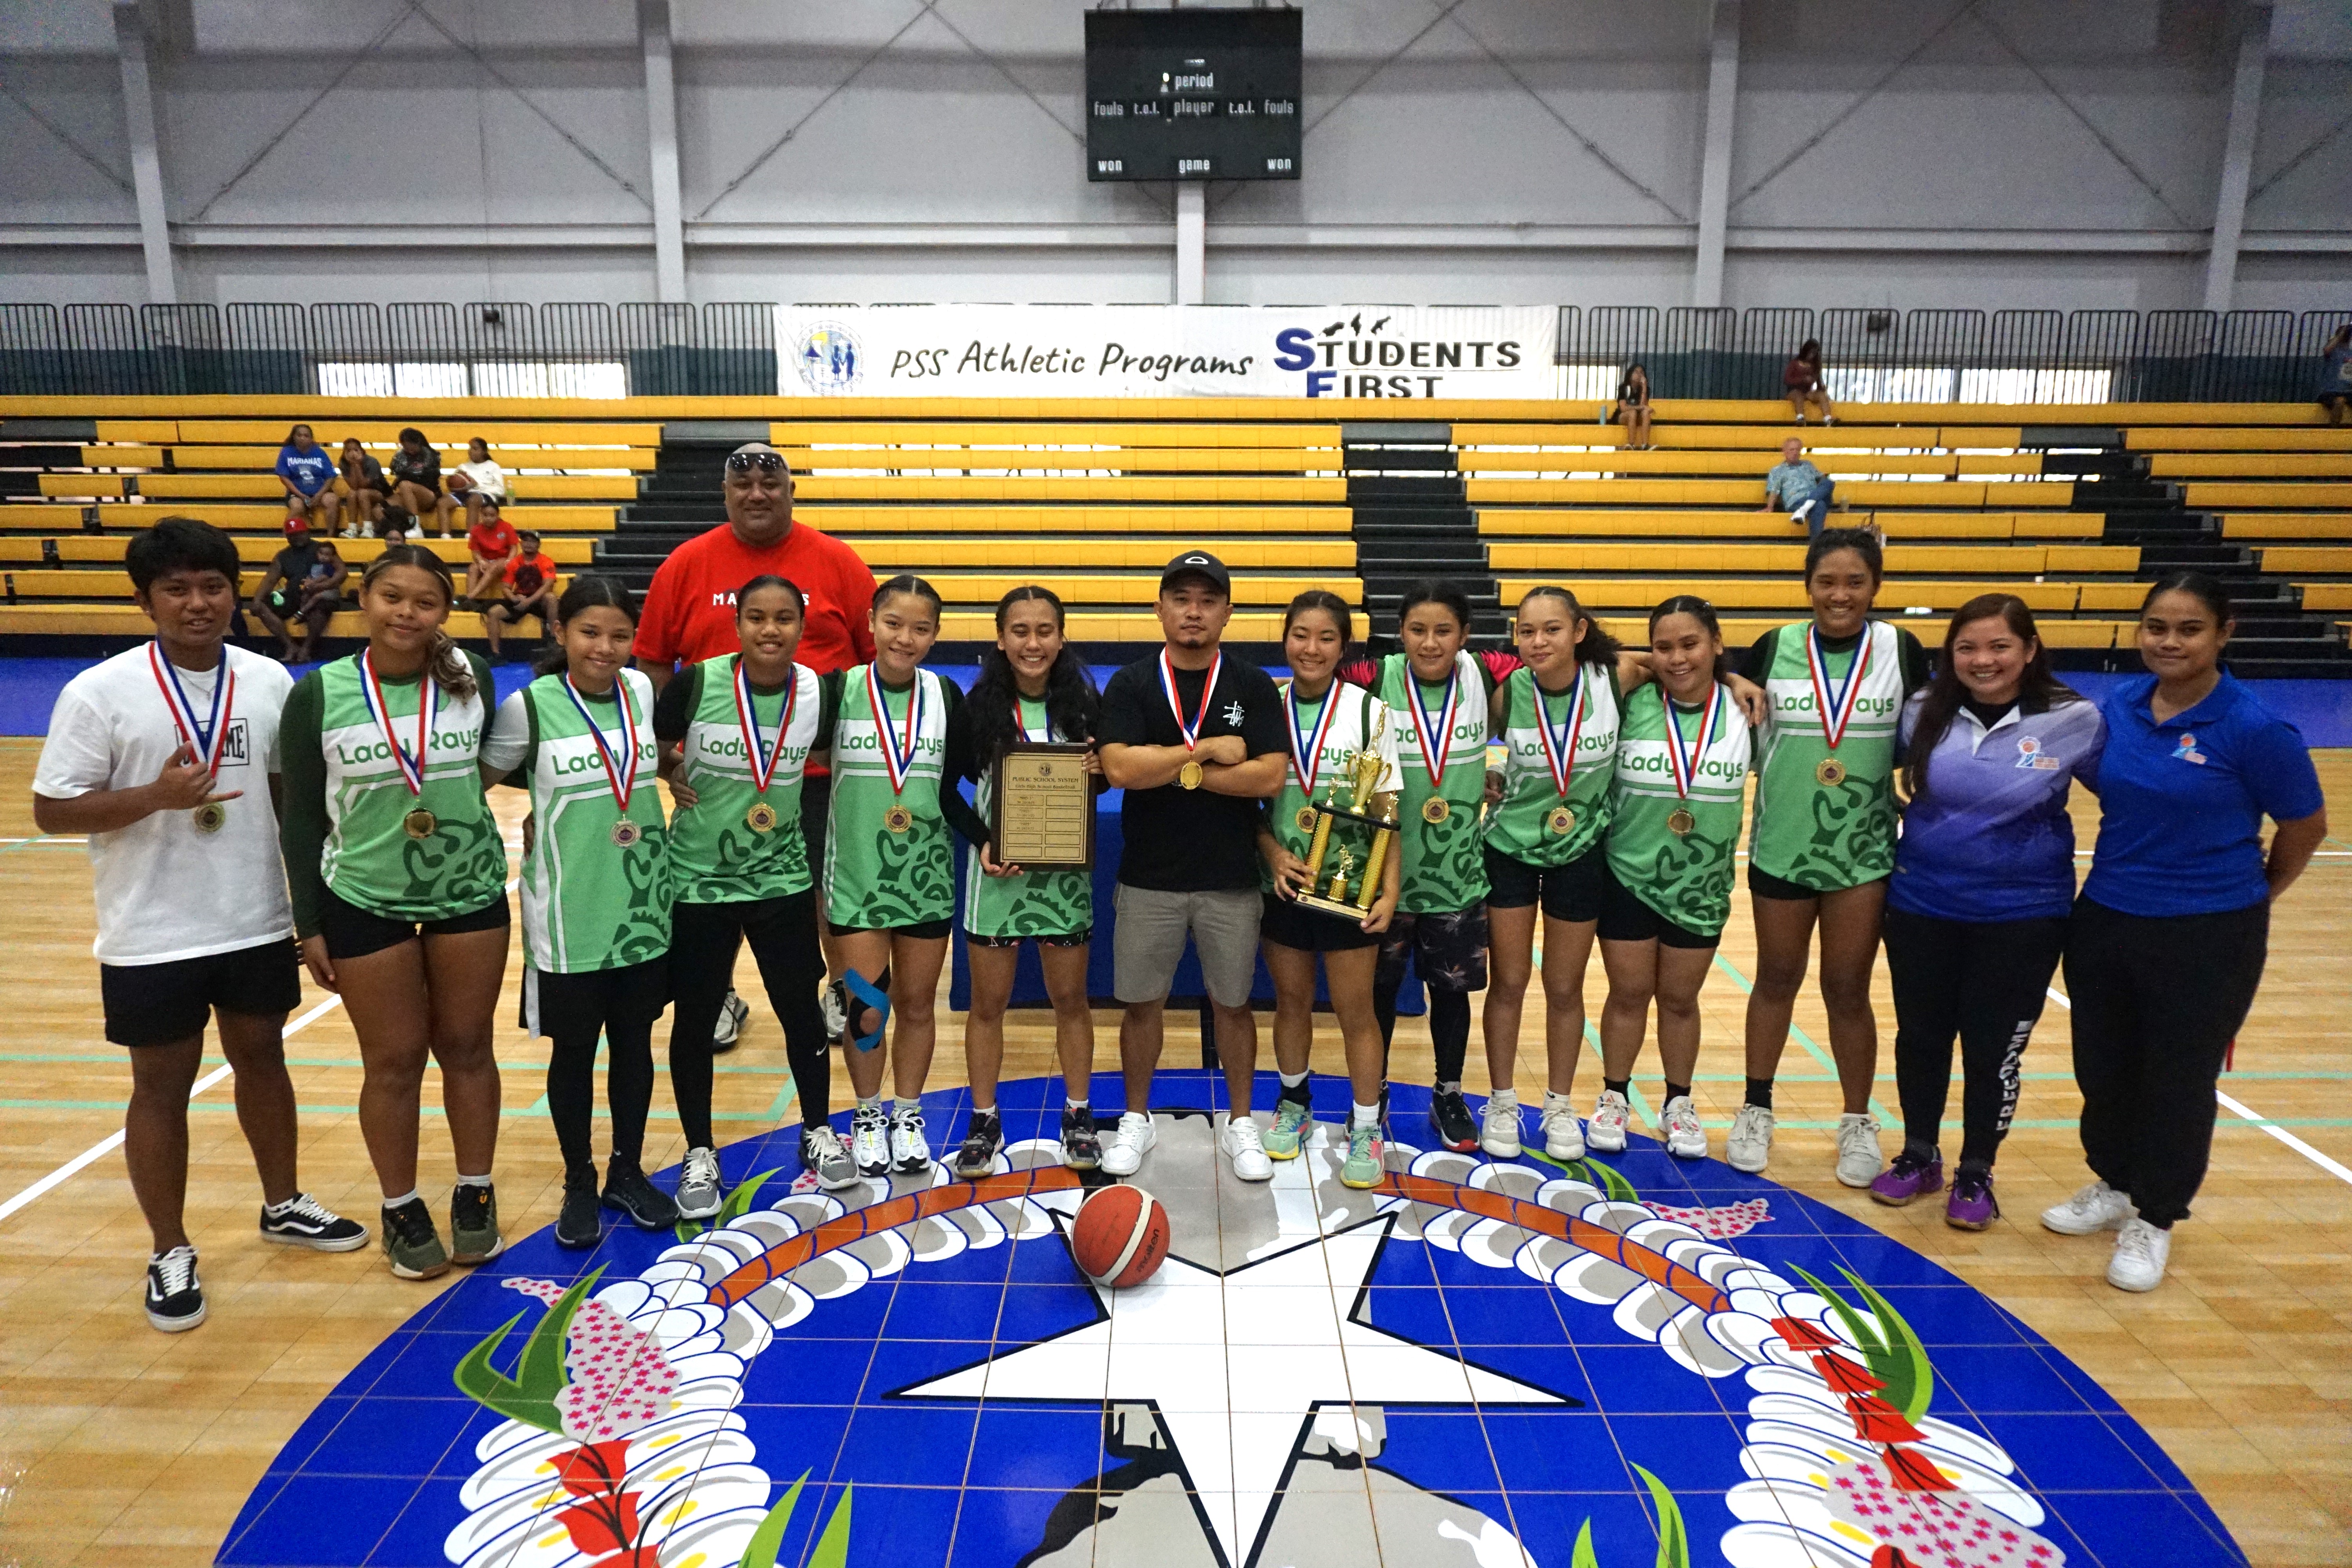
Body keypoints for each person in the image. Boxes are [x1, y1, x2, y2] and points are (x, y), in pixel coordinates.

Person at [31, 517, 365, 1333]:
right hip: (152, 929)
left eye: (212, 585)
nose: (197, 603)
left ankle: (282, 1201)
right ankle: (169, 1246)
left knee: (264, 1059)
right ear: (145, 599)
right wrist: (154, 795)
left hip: (252, 915)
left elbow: (295, 801)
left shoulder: (267, 681)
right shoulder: (99, 692)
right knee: (161, 1087)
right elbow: (51, 809)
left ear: (232, 592)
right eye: (176, 588)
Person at [2042, 573, 2325, 1292]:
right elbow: (2114, 786)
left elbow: (2305, 826)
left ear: (2224, 634)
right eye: (2157, 628)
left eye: (2188, 629)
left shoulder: (2256, 729)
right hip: (2108, 913)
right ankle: (2113, 1185)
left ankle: (2157, 1216)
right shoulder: (2126, 705)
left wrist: (2253, 894)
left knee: (2178, 1076)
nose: (2169, 642)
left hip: (2208, 932)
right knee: (2104, 1066)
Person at [279, 544, 510, 1281]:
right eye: (391, 597)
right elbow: (299, 820)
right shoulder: (319, 694)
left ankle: (475, 1190)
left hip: (469, 890)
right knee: (394, 1061)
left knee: (469, 1047)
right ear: (364, 602)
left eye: (424, 601)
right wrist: (308, 922)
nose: (406, 613)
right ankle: (401, 1204)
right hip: (363, 897)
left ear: (445, 612)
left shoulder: (473, 677)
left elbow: (488, 768)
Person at [636, 442, 878, 1053]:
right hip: (715, 774)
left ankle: (835, 987)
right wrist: (667, 756)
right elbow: (652, 666)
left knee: (827, 885)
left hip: (815, 770)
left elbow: (873, 664)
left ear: (791, 491)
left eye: (770, 484)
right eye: (742, 485)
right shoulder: (686, 565)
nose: (756, 494)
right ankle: (718, 993)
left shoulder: (838, 562)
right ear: (726, 494)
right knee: (714, 885)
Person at [1874, 595, 2103, 1230]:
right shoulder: (1922, 711)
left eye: (1999, 646)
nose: (1983, 660)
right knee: (1921, 1037)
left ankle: (1977, 1170)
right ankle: (1919, 1154)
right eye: (1968, 647)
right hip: (1922, 904)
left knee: (1993, 1047)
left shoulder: (2073, 719)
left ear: (2029, 650)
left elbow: (2134, 796)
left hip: (2024, 915)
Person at [482, 575, 678, 1249]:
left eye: (619, 635)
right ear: (560, 633)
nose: (605, 647)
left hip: (643, 902)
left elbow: (641, 765)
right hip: (567, 914)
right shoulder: (530, 707)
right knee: (575, 1051)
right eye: (590, 633)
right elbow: (474, 782)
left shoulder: (643, 692)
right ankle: (578, 1178)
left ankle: (627, 1169)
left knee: (634, 1044)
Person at [1730, 528, 1931, 1185]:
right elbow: (1726, 692)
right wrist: (1733, 676)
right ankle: (1756, 1108)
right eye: (1827, 582)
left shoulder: (1900, 649)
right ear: (1808, 586)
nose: (1839, 595)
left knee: (1848, 989)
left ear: (1876, 586)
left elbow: (1929, 728)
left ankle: (1856, 1122)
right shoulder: (1775, 646)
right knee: (1776, 979)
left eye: (1854, 582)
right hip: (1781, 846)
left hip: (1863, 853)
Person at [1096, 550, 1288, 1181]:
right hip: (1149, 875)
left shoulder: (1253, 684)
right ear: (1160, 608)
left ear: (1228, 612)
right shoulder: (1130, 683)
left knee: (1233, 1005)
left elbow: (1269, 775)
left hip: (1230, 877)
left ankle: (1240, 1124)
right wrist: (1205, 753)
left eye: (1208, 600)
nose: (1194, 611)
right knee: (1141, 1005)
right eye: (1182, 599)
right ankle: (1135, 1118)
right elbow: (1122, 770)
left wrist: (1169, 767)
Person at [653, 576, 844, 1204]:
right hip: (698, 878)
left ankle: (817, 1128)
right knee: (697, 1017)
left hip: (782, 876)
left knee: (799, 1007)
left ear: (801, 625)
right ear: (736, 625)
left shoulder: (816, 691)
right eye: (757, 617)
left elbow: (823, 755)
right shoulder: (697, 684)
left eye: (784, 618)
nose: (771, 630)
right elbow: (649, 742)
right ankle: (701, 1151)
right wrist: (669, 768)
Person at [1477, 586, 1646, 1161]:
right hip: (1510, 849)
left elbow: (1686, 670)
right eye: (1526, 631)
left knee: (1565, 987)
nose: (1538, 641)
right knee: (1509, 981)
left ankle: (1558, 1103)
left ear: (1579, 630)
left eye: (1551, 629)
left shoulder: (1615, 677)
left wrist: (1738, 683)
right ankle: (1502, 1101)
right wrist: (1481, 774)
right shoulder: (1506, 694)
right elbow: (1461, 739)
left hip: (1581, 850)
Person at [946, 586, 1106, 1176]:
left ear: (1061, 637)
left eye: (1044, 631)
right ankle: (984, 1119)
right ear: (1000, 637)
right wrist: (984, 841)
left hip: (1063, 881)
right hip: (998, 880)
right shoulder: (977, 708)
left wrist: (1099, 770)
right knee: (988, 1006)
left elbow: (1103, 783)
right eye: (1020, 631)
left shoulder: (1085, 705)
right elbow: (948, 794)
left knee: (1072, 1001)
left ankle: (1079, 1114)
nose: (1032, 643)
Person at [1590, 596, 1754, 1162]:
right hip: (1628, 874)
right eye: (1665, 647)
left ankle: (1678, 1102)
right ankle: (1614, 1096)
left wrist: (1733, 679)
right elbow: (1609, 667)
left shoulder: (1747, 710)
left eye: (1691, 645)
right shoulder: (1631, 699)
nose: (1678, 657)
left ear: (1716, 645)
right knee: (1629, 993)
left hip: (1702, 886)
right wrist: (1647, 662)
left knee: (1681, 1000)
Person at [824, 575, 974, 1177]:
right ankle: (866, 1114)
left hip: (927, 877)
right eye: (894, 623)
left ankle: (907, 1113)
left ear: (935, 635)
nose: (905, 638)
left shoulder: (946, 698)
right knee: (866, 1007)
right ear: (871, 622)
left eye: (920, 628)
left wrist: (990, 839)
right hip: (855, 876)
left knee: (916, 1004)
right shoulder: (837, 691)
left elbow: (964, 781)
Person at [1256, 592, 1401, 1191]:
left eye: (1324, 638)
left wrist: (1389, 891)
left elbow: (1391, 806)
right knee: (1291, 1002)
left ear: (1344, 648)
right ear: (1284, 639)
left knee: (1355, 1011)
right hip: (1285, 881)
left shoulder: (1371, 712)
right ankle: (1295, 1102)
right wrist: (1272, 856)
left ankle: (1367, 1125)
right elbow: (1249, 804)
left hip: (1350, 885)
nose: (1310, 649)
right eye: (1300, 635)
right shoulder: (1267, 707)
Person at [1355, 582, 1506, 1154]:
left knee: (1451, 992)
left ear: (1465, 636)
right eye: (1418, 630)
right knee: (1380, 990)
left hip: (1457, 877)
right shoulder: (1375, 677)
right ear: (1402, 632)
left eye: (1444, 631)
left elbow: (1571, 661)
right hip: (1386, 877)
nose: (1430, 642)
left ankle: (1448, 1093)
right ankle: (1377, 1087)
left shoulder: (1487, 672)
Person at [250, 517, 325, 662]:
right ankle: (290, 646)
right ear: (287, 536)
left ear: (308, 533)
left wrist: (320, 586)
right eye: (292, 535)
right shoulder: (283, 556)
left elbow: (338, 573)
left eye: (300, 533)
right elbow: (270, 580)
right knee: (261, 606)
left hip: (316, 596)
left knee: (319, 609)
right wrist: (257, 600)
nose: (297, 537)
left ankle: (307, 648)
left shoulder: (321, 550)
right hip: (293, 596)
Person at [483, 530, 559, 660]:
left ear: (538, 544)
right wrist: (514, 599)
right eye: (525, 541)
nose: (528, 544)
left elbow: (548, 585)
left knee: (551, 598)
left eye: (532, 541)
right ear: (521, 543)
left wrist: (529, 601)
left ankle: (554, 641)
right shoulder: (514, 563)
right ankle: (496, 654)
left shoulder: (546, 561)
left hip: (538, 599)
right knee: (494, 612)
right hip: (520, 598)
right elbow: (505, 587)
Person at [275, 424, 342, 537]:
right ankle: (285, 538)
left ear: (311, 439)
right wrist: (301, 495)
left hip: (320, 491)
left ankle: (330, 536)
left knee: (333, 500)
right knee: (297, 507)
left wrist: (319, 495)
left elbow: (331, 476)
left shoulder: (320, 453)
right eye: (299, 435)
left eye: (306, 436)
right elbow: (284, 477)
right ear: (294, 437)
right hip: (297, 492)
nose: (302, 438)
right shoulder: (286, 452)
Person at [1762, 437, 1835, 540]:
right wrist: (1770, 507)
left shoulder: (1808, 465)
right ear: (1785, 452)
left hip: (1814, 497)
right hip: (1796, 502)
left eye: (1798, 450)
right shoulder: (1777, 471)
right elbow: (1774, 490)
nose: (1795, 453)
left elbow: (1822, 480)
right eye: (1792, 450)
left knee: (1828, 482)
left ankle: (1804, 509)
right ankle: (1816, 544)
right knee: (1820, 505)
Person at [288, 536, 347, 658]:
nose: (324, 557)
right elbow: (312, 577)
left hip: (329, 592)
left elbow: (326, 578)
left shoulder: (329, 566)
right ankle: (303, 612)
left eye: (327, 555)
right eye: (321, 554)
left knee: (317, 599)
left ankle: (302, 612)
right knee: (306, 597)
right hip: (316, 590)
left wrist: (314, 584)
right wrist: (309, 583)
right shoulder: (316, 564)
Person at [438, 436, 509, 537]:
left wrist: (477, 486)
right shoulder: (463, 467)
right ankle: (445, 536)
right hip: (464, 493)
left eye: (475, 449)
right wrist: (461, 488)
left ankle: (470, 534)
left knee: (473, 499)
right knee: (442, 502)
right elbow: (453, 487)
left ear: (484, 452)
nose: (471, 451)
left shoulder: (493, 466)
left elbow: (501, 490)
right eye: (470, 448)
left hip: (485, 495)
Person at [461, 497, 519, 607]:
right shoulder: (476, 530)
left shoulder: (506, 527)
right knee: (473, 568)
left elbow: (514, 547)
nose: (489, 519)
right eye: (485, 515)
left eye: (492, 516)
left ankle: (469, 598)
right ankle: (471, 603)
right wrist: (481, 561)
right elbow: (475, 551)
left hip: (503, 560)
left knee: (494, 567)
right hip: (486, 560)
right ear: (481, 515)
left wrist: (509, 560)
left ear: (498, 515)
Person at [387, 428, 443, 536]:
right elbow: (396, 473)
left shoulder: (431, 455)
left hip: (429, 494)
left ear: (418, 442)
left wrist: (408, 477)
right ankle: (395, 533)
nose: (409, 450)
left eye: (411, 447)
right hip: (408, 494)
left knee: (404, 484)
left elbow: (430, 479)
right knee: (381, 507)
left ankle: (415, 526)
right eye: (406, 447)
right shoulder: (400, 456)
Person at [337, 436, 386, 538]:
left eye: (356, 450)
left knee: (362, 492)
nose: (353, 454)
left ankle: (368, 529)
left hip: (381, 493)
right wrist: (353, 465)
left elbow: (364, 485)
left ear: (362, 451)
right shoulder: (343, 463)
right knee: (352, 493)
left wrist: (357, 465)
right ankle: (352, 528)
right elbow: (354, 486)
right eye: (349, 450)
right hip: (360, 493)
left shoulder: (372, 462)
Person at [1784, 339, 1835, 425]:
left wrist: (1823, 390)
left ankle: (1828, 418)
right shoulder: (1795, 363)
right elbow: (1787, 380)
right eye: (1811, 353)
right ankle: (1800, 418)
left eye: (1814, 353)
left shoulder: (1815, 366)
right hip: (1794, 391)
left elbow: (1819, 383)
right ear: (1805, 351)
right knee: (1799, 396)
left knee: (1821, 396)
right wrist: (1803, 379)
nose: (1812, 356)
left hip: (1808, 392)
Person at [2318, 323, 2351, 427]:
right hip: (2332, 391)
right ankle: (2334, 431)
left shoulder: (2350, 353)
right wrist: (2342, 333)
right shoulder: (2334, 352)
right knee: (2339, 401)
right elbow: (2327, 349)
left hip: (2349, 391)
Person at [1615, 362, 1653, 450]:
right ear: (1631, 374)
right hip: (1624, 416)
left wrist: (1644, 387)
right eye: (1636, 372)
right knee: (1633, 413)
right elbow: (1624, 408)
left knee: (1646, 413)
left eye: (1642, 373)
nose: (1639, 375)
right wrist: (1639, 408)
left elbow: (1644, 406)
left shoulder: (1646, 389)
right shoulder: (1624, 388)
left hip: (1638, 417)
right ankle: (1631, 444)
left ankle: (1645, 445)